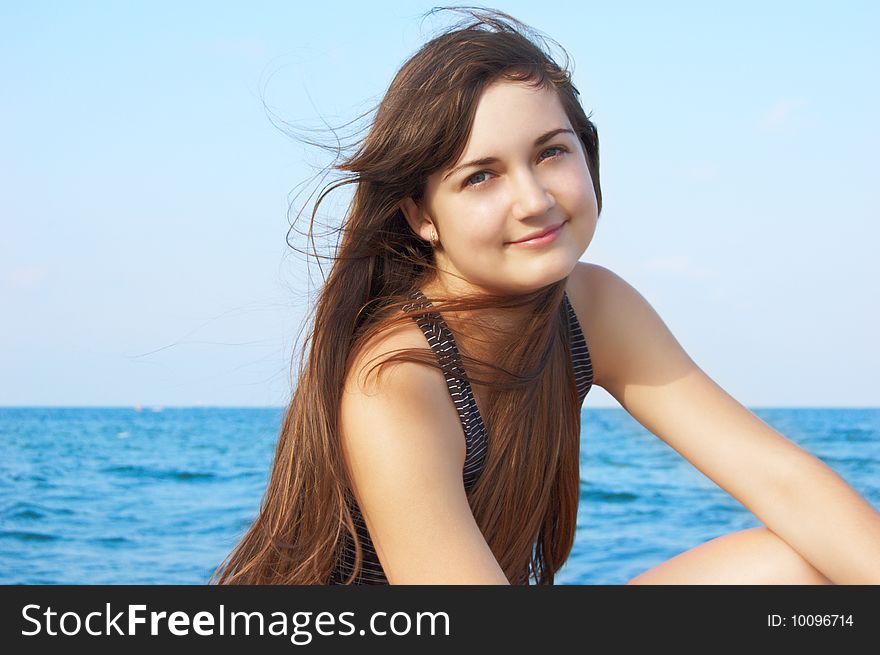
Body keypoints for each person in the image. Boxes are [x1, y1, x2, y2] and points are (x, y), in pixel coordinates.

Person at [211, 7, 880, 585]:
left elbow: (785, 483)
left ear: (587, 153)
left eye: (552, 152)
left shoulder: (593, 305)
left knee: (799, 568)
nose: (533, 200)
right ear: (421, 215)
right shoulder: (398, 380)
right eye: (480, 177)